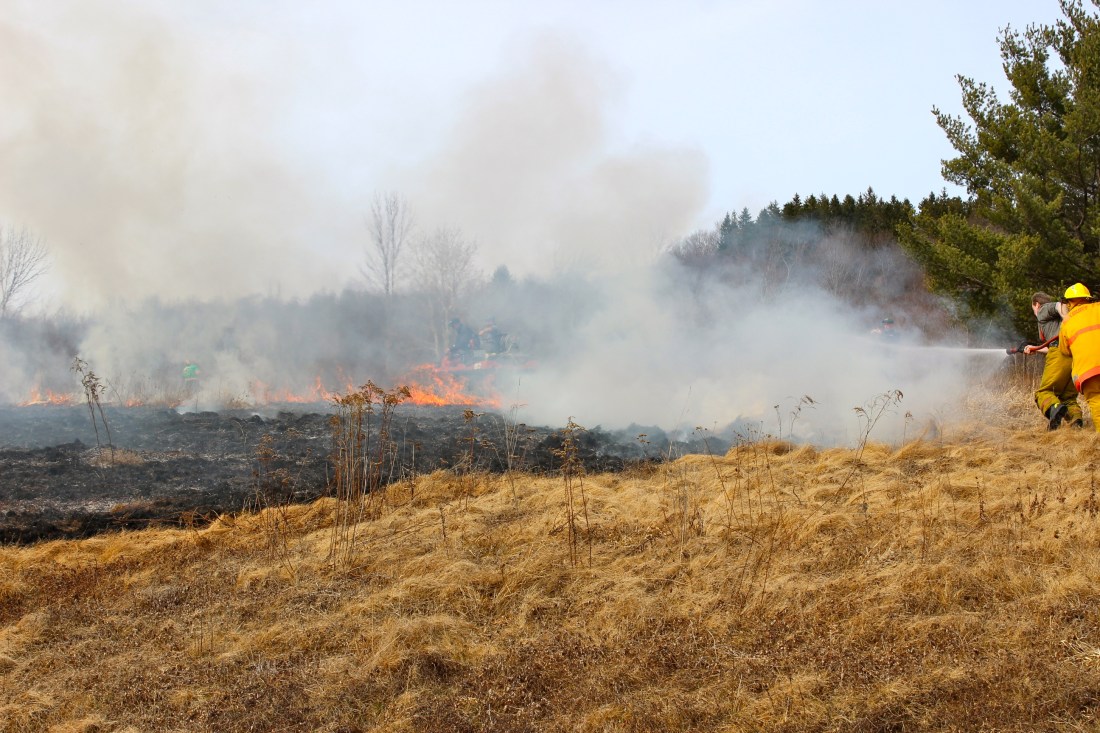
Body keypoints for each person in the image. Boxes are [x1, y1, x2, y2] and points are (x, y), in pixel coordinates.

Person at [1024, 291, 1082, 429]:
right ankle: (1077, 421)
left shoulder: (1043, 309)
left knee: (1043, 393)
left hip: (1060, 354)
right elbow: (1052, 347)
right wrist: (1036, 349)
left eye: (1033, 308)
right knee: (1068, 397)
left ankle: (1054, 408)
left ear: (1036, 304)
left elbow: (1058, 305)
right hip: (1074, 356)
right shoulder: (1054, 321)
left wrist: (1066, 317)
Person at [1057, 283, 1100, 430]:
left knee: (1096, 401)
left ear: (1069, 302)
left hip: (1088, 371)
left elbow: (1064, 351)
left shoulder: (1067, 322)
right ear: (1087, 298)